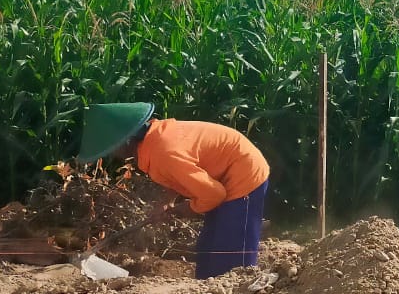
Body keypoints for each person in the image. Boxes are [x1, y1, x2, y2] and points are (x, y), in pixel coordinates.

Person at [76, 103, 270, 279]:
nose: (111, 154)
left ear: (125, 141)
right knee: (207, 248)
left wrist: (186, 209)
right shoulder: (154, 140)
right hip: (222, 173)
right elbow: (179, 172)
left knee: (231, 252)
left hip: (243, 174)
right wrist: (166, 202)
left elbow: (213, 195)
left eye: (111, 148)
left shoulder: (163, 153)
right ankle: (206, 289)